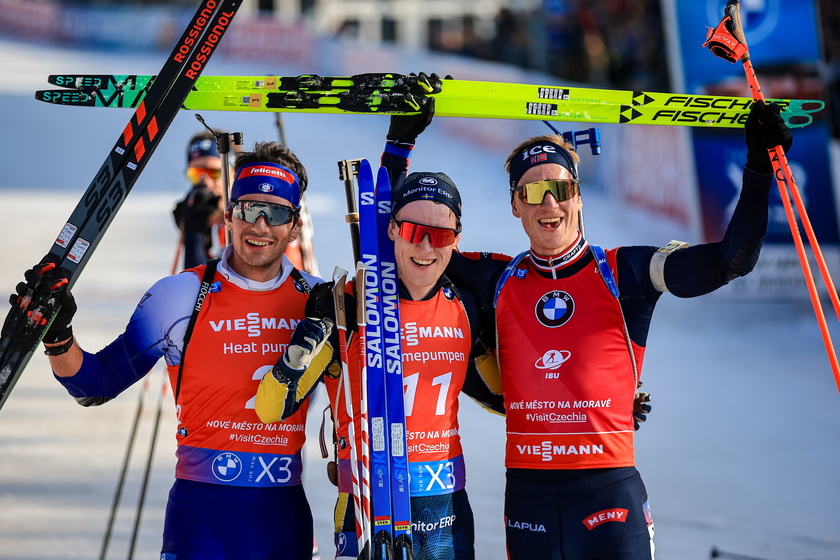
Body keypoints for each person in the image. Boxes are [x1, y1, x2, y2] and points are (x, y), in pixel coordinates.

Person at [440, 100, 793, 558]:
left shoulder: (626, 272)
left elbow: (731, 261)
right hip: (529, 501)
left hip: (609, 498)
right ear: (514, 205)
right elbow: (403, 246)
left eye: (560, 189)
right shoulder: (496, 279)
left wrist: (759, 169)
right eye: (531, 192)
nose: (548, 203)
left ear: (579, 196)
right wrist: (402, 144)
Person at [26, 141, 323, 559]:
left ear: (294, 226)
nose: (259, 225)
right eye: (247, 209)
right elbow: (96, 383)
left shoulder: (319, 303)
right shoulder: (180, 295)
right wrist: (57, 335)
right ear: (229, 214)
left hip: (282, 521)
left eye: (274, 213)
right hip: (201, 520)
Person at [255, 168, 503, 560]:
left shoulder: (464, 307)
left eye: (439, 236)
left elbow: (504, 398)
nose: (425, 247)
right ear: (391, 231)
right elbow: (269, 410)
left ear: (456, 241)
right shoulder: (347, 308)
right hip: (369, 505)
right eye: (411, 231)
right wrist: (294, 358)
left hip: (446, 507)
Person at [173, 132, 226, 269]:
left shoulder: (249, 220)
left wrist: (194, 234)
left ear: (233, 173)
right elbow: (194, 280)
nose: (205, 182)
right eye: (196, 174)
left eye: (213, 173)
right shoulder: (192, 211)